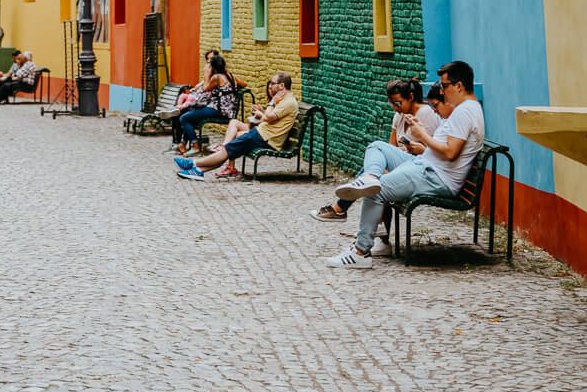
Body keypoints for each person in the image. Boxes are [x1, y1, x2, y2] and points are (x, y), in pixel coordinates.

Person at [325, 60, 484, 269]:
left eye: (444, 86)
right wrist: (421, 133)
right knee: (377, 147)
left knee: (375, 191)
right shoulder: (466, 109)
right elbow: (447, 149)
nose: (443, 91)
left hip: (435, 176)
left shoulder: (465, 111)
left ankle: (360, 252)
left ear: (459, 86)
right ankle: (370, 176)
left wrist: (423, 135)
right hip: (425, 164)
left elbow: (451, 152)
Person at [310, 77, 441, 225]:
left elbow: (436, 151)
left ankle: (341, 209)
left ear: (410, 97)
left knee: (373, 179)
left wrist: (420, 150)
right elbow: (391, 147)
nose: (395, 108)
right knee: (374, 177)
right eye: (392, 104)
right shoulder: (399, 116)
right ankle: (373, 231)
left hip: (420, 169)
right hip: (402, 165)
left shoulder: (426, 114)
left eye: (398, 103)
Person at [174, 72, 298, 180]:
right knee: (230, 149)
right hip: (262, 134)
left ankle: (193, 163)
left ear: (282, 86)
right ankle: (199, 171)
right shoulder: (284, 100)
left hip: (265, 137)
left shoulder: (288, 102)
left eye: (273, 83)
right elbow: (270, 118)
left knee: (228, 149)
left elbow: (268, 118)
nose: (270, 85)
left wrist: (271, 103)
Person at [175, 53, 246, 156]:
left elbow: (205, 88)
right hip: (228, 110)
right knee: (192, 117)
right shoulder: (230, 75)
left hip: (218, 110)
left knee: (184, 118)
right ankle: (183, 143)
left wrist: (206, 74)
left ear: (213, 67)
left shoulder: (216, 77)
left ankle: (195, 146)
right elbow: (244, 84)